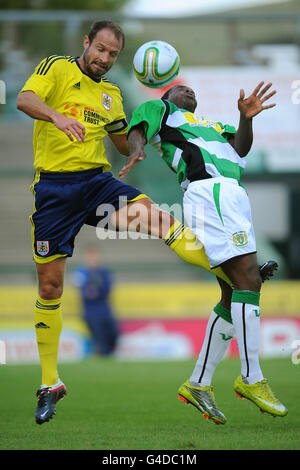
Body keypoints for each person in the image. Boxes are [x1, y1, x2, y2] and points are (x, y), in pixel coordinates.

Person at [16, 20, 244, 425]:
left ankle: (235, 273)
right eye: (100, 49)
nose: (104, 59)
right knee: (50, 286)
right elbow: (25, 99)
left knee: (160, 220)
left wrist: (141, 136)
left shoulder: (112, 94)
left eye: (112, 54)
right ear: (87, 44)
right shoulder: (57, 66)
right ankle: (50, 383)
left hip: (96, 183)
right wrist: (57, 118)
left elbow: (124, 140)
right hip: (54, 190)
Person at [119, 83, 288, 424]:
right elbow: (137, 131)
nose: (189, 92)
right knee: (248, 280)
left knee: (232, 290)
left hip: (233, 194)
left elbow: (239, 149)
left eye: (193, 91)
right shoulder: (161, 111)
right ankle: (252, 377)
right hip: (207, 191)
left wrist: (245, 119)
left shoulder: (211, 124)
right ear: (167, 96)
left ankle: (198, 383)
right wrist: (136, 150)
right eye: (181, 89)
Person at [73, 246, 119, 356]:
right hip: (90, 311)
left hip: (104, 308)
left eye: (94, 255)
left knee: (114, 334)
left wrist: (95, 291)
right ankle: (103, 358)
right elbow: (84, 292)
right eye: (90, 256)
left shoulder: (104, 271)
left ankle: (106, 355)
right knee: (99, 337)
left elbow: (107, 289)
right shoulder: (80, 272)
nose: (92, 258)